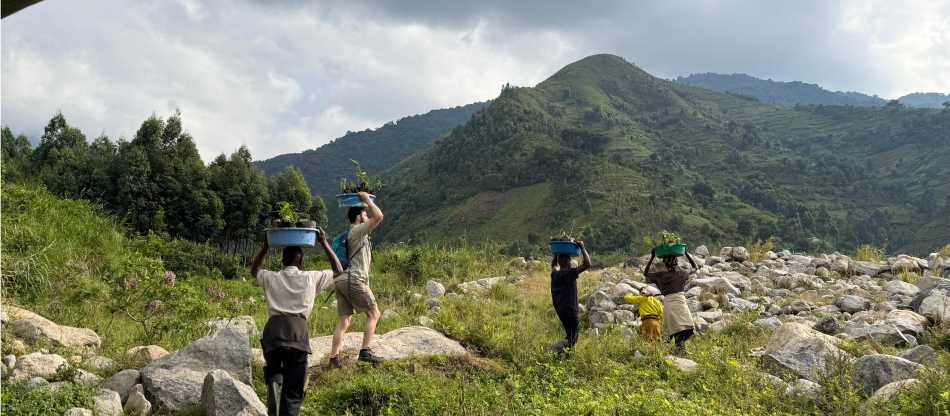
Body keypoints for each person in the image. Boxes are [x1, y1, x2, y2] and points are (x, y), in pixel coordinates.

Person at [250, 228, 343, 416]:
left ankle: (274, 379)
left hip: (273, 333)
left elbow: (254, 270)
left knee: (274, 368)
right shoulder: (311, 277)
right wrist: (324, 243)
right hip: (297, 334)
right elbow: (338, 271)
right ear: (301, 261)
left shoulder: (271, 277)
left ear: (282, 261)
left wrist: (265, 247)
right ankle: (284, 403)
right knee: (293, 392)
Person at [329, 191, 384, 366]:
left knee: (345, 319)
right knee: (374, 314)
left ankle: (333, 358)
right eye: (364, 213)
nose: (367, 216)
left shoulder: (356, 233)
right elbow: (379, 216)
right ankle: (365, 352)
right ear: (359, 216)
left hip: (341, 280)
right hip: (354, 279)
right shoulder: (357, 231)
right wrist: (366, 199)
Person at [643, 248, 698, 355]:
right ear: (676, 263)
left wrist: (652, 257)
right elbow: (695, 267)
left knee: (675, 328)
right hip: (681, 302)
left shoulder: (661, 276)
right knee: (686, 327)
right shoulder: (681, 274)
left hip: (669, 303)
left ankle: (679, 348)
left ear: (664, 264)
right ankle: (680, 348)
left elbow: (646, 273)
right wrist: (686, 253)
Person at [550, 240, 591, 352]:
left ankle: (562, 353)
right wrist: (582, 247)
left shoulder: (555, 273)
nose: (571, 262)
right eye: (570, 260)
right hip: (569, 310)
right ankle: (554, 351)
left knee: (569, 334)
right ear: (567, 262)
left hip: (560, 309)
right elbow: (587, 264)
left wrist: (556, 254)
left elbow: (554, 265)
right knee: (573, 338)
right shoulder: (568, 273)